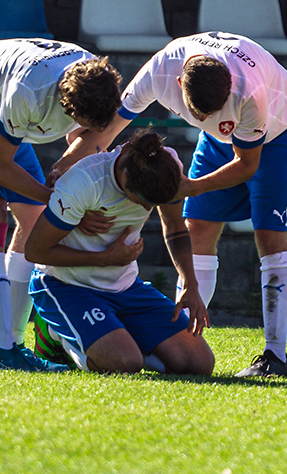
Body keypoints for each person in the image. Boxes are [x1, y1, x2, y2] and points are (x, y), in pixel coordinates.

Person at [59, 32, 287, 378]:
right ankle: (186, 333)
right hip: (220, 139)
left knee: (269, 233)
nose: (209, 117)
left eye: (215, 111)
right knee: (199, 227)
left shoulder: (250, 94)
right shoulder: (158, 70)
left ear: (228, 86)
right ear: (178, 84)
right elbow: (107, 130)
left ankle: (275, 357)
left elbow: (247, 164)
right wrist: (61, 176)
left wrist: (189, 187)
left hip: (277, 130)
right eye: (199, 113)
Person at [0, 38, 122, 372]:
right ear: (66, 106)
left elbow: (92, 137)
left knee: (33, 221)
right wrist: (56, 198)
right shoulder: (28, 93)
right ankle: (1, 352)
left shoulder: (99, 79)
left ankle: (15, 348)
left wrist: (61, 173)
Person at [23, 129, 213, 375]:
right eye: (143, 200)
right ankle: (53, 335)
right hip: (66, 285)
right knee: (123, 364)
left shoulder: (166, 167)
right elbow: (35, 251)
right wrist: (103, 259)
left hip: (125, 286)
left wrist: (190, 283)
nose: (147, 208)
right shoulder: (84, 181)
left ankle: (119, 333)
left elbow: (176, 227)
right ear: (125, 177)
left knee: (199, 364)